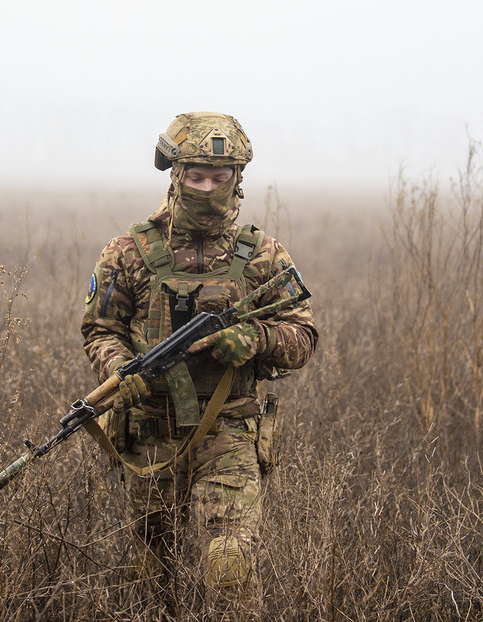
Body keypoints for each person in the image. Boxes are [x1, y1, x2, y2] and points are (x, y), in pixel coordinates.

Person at [80, 111, 317, 603]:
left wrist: (254, 338)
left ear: (238, 179)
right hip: (149, 432)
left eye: (220, 176)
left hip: (228, 431)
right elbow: (101, 330)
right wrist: (119, 372)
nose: (207, 187)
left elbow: (304, 334)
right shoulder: (128, 251)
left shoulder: (265, 256)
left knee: (228, 568)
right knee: (150, 579)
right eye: (196, 175)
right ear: (175, 175)